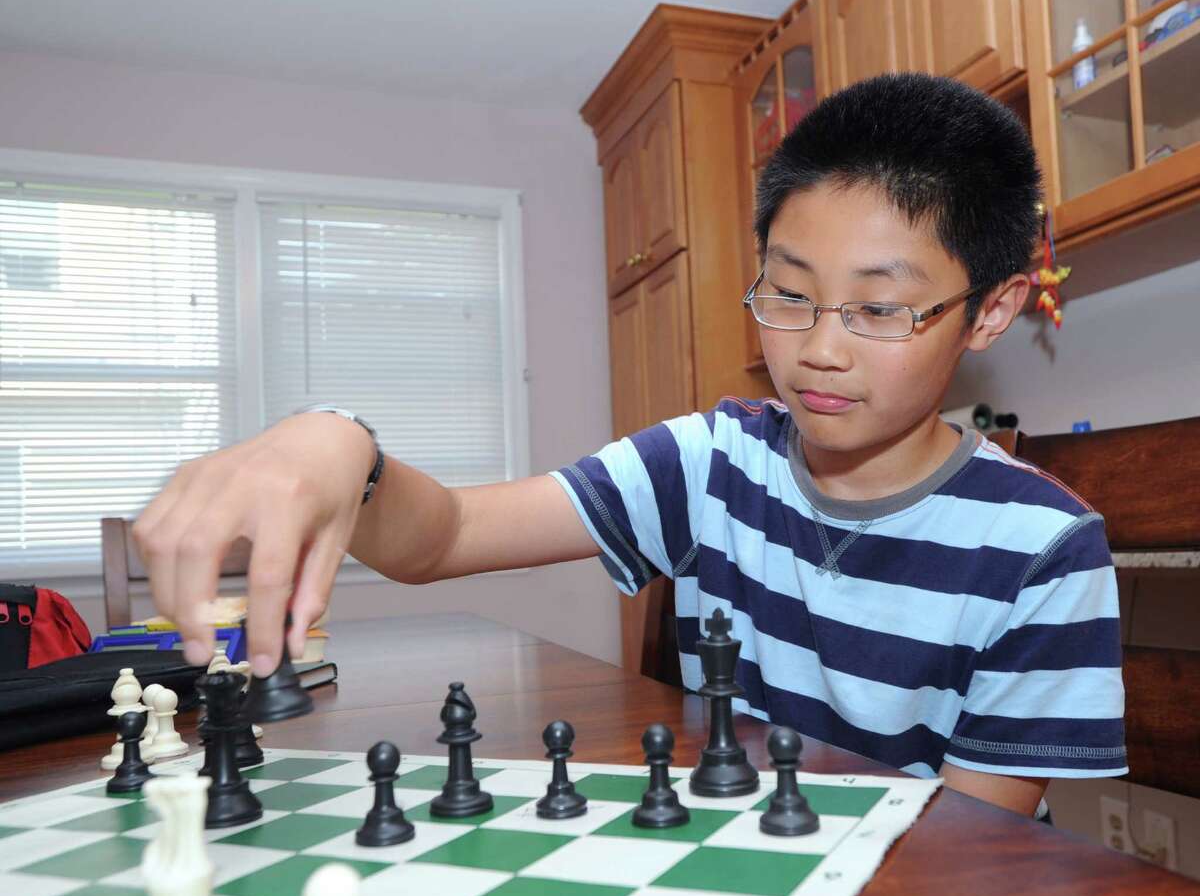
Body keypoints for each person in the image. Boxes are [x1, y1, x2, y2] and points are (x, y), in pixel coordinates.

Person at [133, 72, 1126, 817]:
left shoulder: (1044, 552)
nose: (818, 350)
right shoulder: (710, 465)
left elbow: (968, 849)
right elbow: (436, 541)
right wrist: (339, 443)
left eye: (879, 307)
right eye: (786, 293)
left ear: (991, 311)